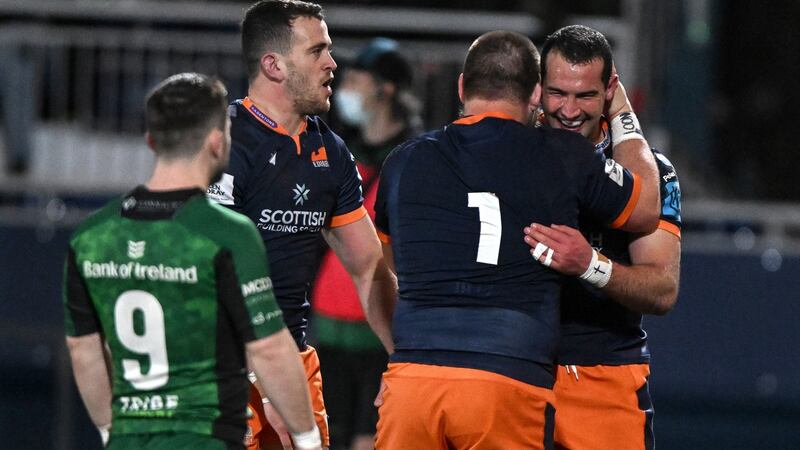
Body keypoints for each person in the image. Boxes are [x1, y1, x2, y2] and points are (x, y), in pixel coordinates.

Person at [369, 30, 660, 450]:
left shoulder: (403, 162)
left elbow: (388, 266)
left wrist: (406, 355)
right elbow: (647, 205)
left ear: (461, 86)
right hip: (506, 376)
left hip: (414, 381)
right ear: (537, 93)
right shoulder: (564, 154)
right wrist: (623, 113)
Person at [63, 73, 321, 450]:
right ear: (218, 142)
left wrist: (109, 431)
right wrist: (307, 437)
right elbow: (268, 348)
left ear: (151, 141)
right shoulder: (226, 233)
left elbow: (83, 349)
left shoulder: (91, 235)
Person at [205, 2, 396, 448]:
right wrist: (262, 377)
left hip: (295, 367)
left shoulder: (329, 151)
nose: (333, 64)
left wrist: (407, 360)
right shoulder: (222, 143)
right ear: (274, 65)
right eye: (318, 51)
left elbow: (369, 268)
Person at [523, 25, 682, 449]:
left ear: (611, 90)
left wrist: (590, 266)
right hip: (511, 372)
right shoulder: (512, 152)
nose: (570, 110)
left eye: (586, 96)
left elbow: (662, 290)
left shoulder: (655, 174)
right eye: (558, 93)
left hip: (603, 379)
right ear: (538, 86)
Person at [312, 37, 420, 450]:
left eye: (356, 78)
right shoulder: (340, 150)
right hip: (328, 330)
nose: (345, 87)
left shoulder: (414, 157)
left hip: (379, 331)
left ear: (385, 88)